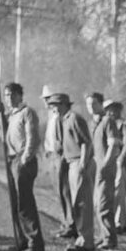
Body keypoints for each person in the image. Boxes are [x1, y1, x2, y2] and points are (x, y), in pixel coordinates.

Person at [0, 82, 44, 251]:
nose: (9, 98)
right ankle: (21, 241)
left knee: (25, 204)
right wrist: (0, 115)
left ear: (19, 95)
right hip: (12, 161)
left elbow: (33, 138)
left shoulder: (27, 112)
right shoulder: (11, 115)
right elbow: (3, 135)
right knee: (15, 203)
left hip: (23, 161)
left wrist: (25, 159)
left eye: (12, 95)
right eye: (6, 95)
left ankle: (35, 244)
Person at [46, 92, 95, 251]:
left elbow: (86, 142)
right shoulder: (64, 120)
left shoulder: (74, 118)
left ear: (63, 105)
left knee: (82, 203)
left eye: (55, 105)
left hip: (78, 163)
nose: (53, 108)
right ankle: (82, 239)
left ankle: (86, 242)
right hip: (70, 163)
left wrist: (82, 164)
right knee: (76, 203)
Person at [41, 84, 75, 239]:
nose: (47, 103)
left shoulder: (60, 117)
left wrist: (59, 154)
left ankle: (70, 224)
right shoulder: (52, 115)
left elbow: (61, 140)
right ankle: (65, 223)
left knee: (64, 191)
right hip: (52, 156)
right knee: (59, 192)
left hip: (59, 156)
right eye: (47, 100)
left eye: (50, 100)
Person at [93, 98, 122, 250]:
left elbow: (113, 145)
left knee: (104, 204)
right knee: (98, 203)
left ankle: (110, 238)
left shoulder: (108, 122)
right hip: (99, 169)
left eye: (94, 104)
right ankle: (103, 236)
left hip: (106, 169)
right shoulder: (98, 124)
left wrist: (105, 164)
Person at [105, 100, 126, 234]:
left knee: (120, 193)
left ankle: (120, 223)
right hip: (113, 163)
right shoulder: (111, 124)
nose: (112, 112)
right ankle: (117, 222)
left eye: (114, 109)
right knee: (115, 193)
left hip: (121, 164)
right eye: (109, 110)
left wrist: (120, 161)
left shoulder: (125, 125)